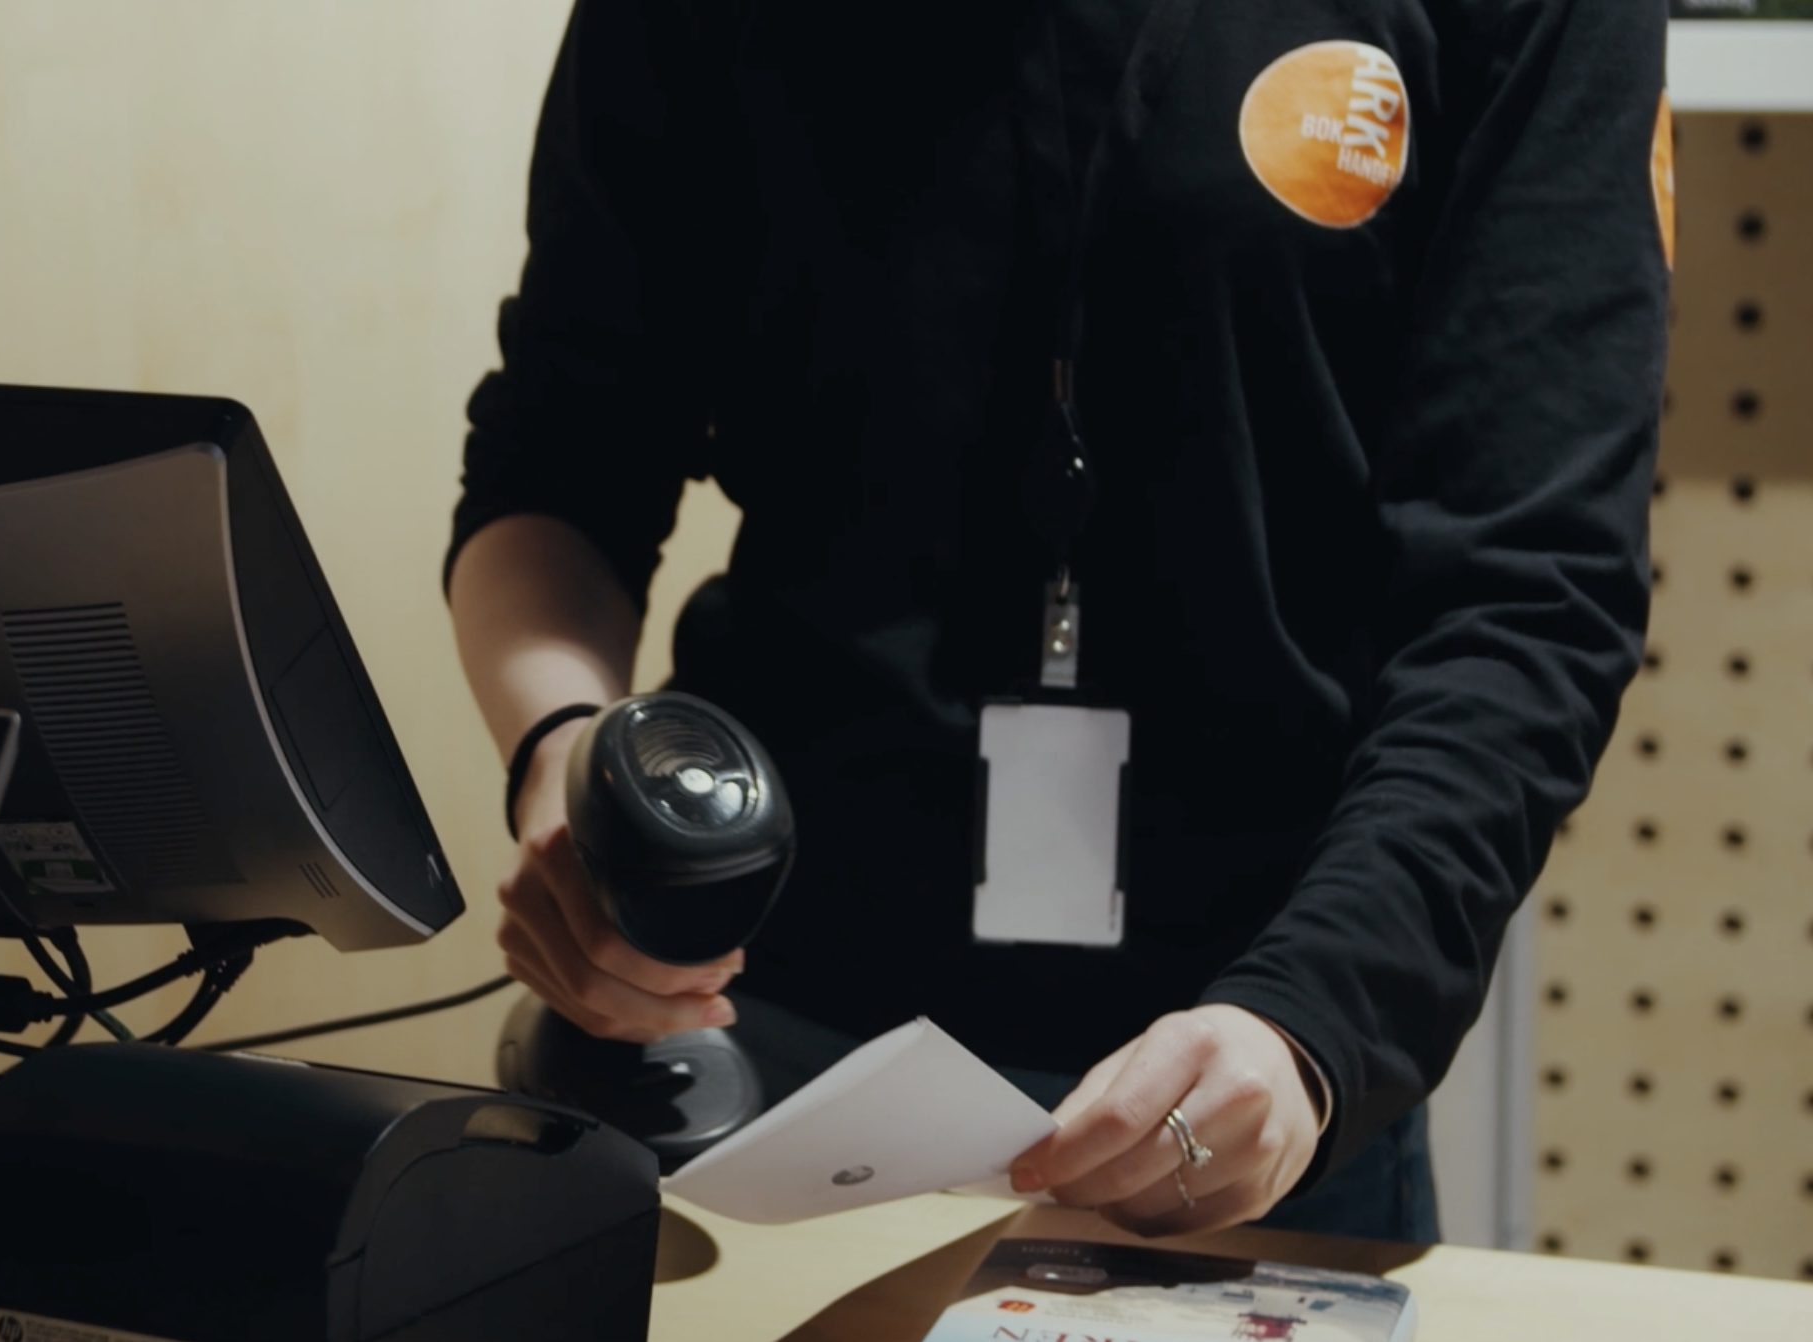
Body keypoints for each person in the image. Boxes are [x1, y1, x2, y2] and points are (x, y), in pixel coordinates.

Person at [447, 0, 1669, 1241]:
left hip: (1253, 1059)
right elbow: (560, 460)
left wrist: (1311, 1021)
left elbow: (1526, 597)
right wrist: (567, 763)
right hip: (757, 1040)